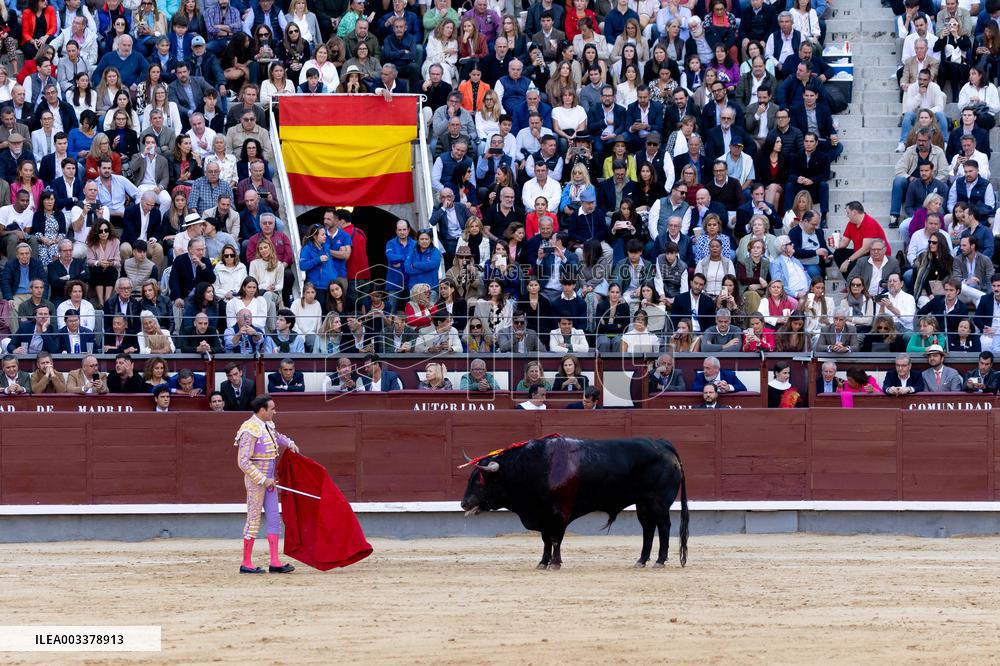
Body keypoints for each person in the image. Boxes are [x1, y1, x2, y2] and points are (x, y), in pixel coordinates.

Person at [236, 394, 300, 574]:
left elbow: (276, 436)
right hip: (257, 482)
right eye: (272, 408)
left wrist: (289, 443)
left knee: (274, 519)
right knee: (254, 519)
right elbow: (243, 462)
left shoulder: (267, 425)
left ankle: (275, 561)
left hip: (270, 481)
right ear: (262, 410)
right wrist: (263, 479)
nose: (275, 411)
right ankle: (246, 562)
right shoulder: (249, 429)